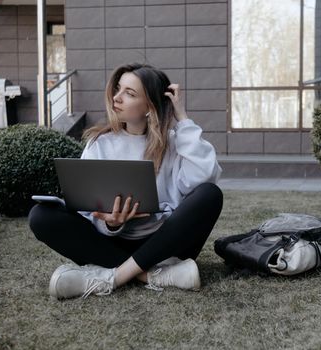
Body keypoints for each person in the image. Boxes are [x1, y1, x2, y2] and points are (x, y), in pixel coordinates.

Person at [29, 63, 223, 299]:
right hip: (111, 245)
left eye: (129, 94)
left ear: (149, 107)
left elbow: (204, 176)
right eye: (118, 89)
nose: (116, 98)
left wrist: (182, 118)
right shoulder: (99, 143)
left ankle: (114, 277)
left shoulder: (175, 143)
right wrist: (111, 224)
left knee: (210, 194)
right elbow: (87, 211)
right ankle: (150, 275)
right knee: (41, 216)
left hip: (163, 244)